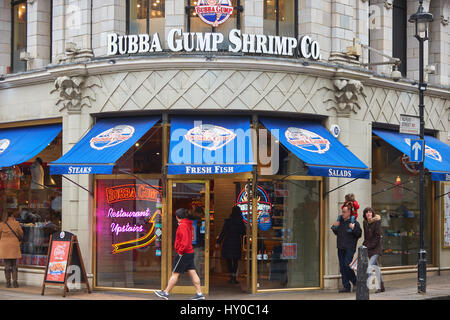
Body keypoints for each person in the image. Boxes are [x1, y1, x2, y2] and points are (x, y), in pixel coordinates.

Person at [154, 208, 205, 300]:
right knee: (193, 272)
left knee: (175, 273)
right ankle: (199, 293)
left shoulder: (182, 226)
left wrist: (180, 252)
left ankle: (166, 292)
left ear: (177, 217)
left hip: (184, 253)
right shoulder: (188, 224)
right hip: (189, 252)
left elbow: (184, 242)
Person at [331, 205, 362, 293]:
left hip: (350, 247)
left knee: (347, 265)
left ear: (349, 213)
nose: (342, 214)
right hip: (340, 247)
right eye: (342, 212)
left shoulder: (354, 223)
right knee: (342, 267)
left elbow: (359, 234)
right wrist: (334, 227)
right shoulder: (340, 222)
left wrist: (353, 228)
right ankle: (346, 286)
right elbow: (337, 233)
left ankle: (355, 282)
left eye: (344, 212)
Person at [215, 206, 246, 284]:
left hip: (228, 242)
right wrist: (245, 242)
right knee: (235, 261)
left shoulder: (228, 221)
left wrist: (218, 242)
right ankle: (234, 277)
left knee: (228, 260)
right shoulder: (240, 222)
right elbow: (243, 233)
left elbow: (223, 232)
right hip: (237, 243)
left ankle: (231, 276)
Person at [362, 207, 385, 293]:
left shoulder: (377, 222)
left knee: (369, 266)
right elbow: (366, 237)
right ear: (365, 215)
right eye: (367, 212)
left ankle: (368, 285)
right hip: (369, 248)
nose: (368, 214)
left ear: (372, 213)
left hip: (376, 248)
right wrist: (363, 247)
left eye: (370, 212)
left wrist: (369, 246)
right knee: (377, 268)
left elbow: (377, 236)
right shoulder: (365, 223)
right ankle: (381, 287)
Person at [0, 205, 24, 288]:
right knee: (14, 265)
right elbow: (21, 233)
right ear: (12, 215)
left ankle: (7, 282)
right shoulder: (16, 223)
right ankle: (15, 282)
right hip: (14, 245)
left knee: (6, 265)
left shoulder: (1, 224)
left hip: (4, 246)